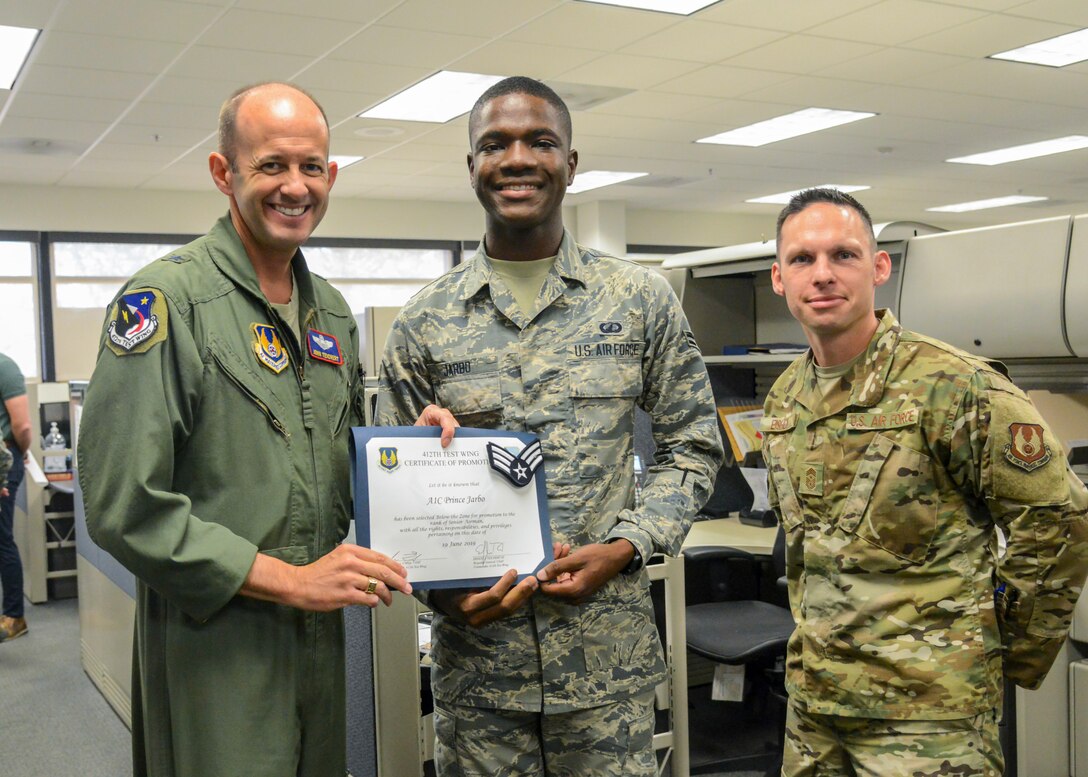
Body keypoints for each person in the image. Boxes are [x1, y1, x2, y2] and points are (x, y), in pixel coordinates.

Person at [77, 82, 453, 777]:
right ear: (225, 173)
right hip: (216, 634)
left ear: (331, 175)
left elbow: (334, 472)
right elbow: (121, 505)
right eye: (271, 165)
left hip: (318, 633)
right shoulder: (167, 300)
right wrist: (289, 580)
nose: (295, 186)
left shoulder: (331, 313)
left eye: (312, 167)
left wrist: (411, 448)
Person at [376, 76, 724, 776]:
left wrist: (628, 544)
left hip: (607, 669)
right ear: (470, 166)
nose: (517, 159)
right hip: (479, 678)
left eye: (541, 141)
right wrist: (440, 590)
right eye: (493, 144)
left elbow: (693, 446)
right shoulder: (423, 321)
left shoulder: (639, 301)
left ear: (571, 161)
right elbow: (392, 497)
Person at [762, 187, 1088, 776]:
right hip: (816, 707)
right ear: (780, 278)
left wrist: (1002, 644)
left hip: (929, 716)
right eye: (802, 259)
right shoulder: (786, 397)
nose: (823, 274)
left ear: (879, 267)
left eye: (844, 255)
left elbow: (1059, 516)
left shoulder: (954, 385)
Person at [0, 351, 30, 642]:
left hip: (4, 459)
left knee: (1, 539)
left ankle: (14, 616)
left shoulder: (5, 367)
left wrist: (23, 451)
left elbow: (22, 426)